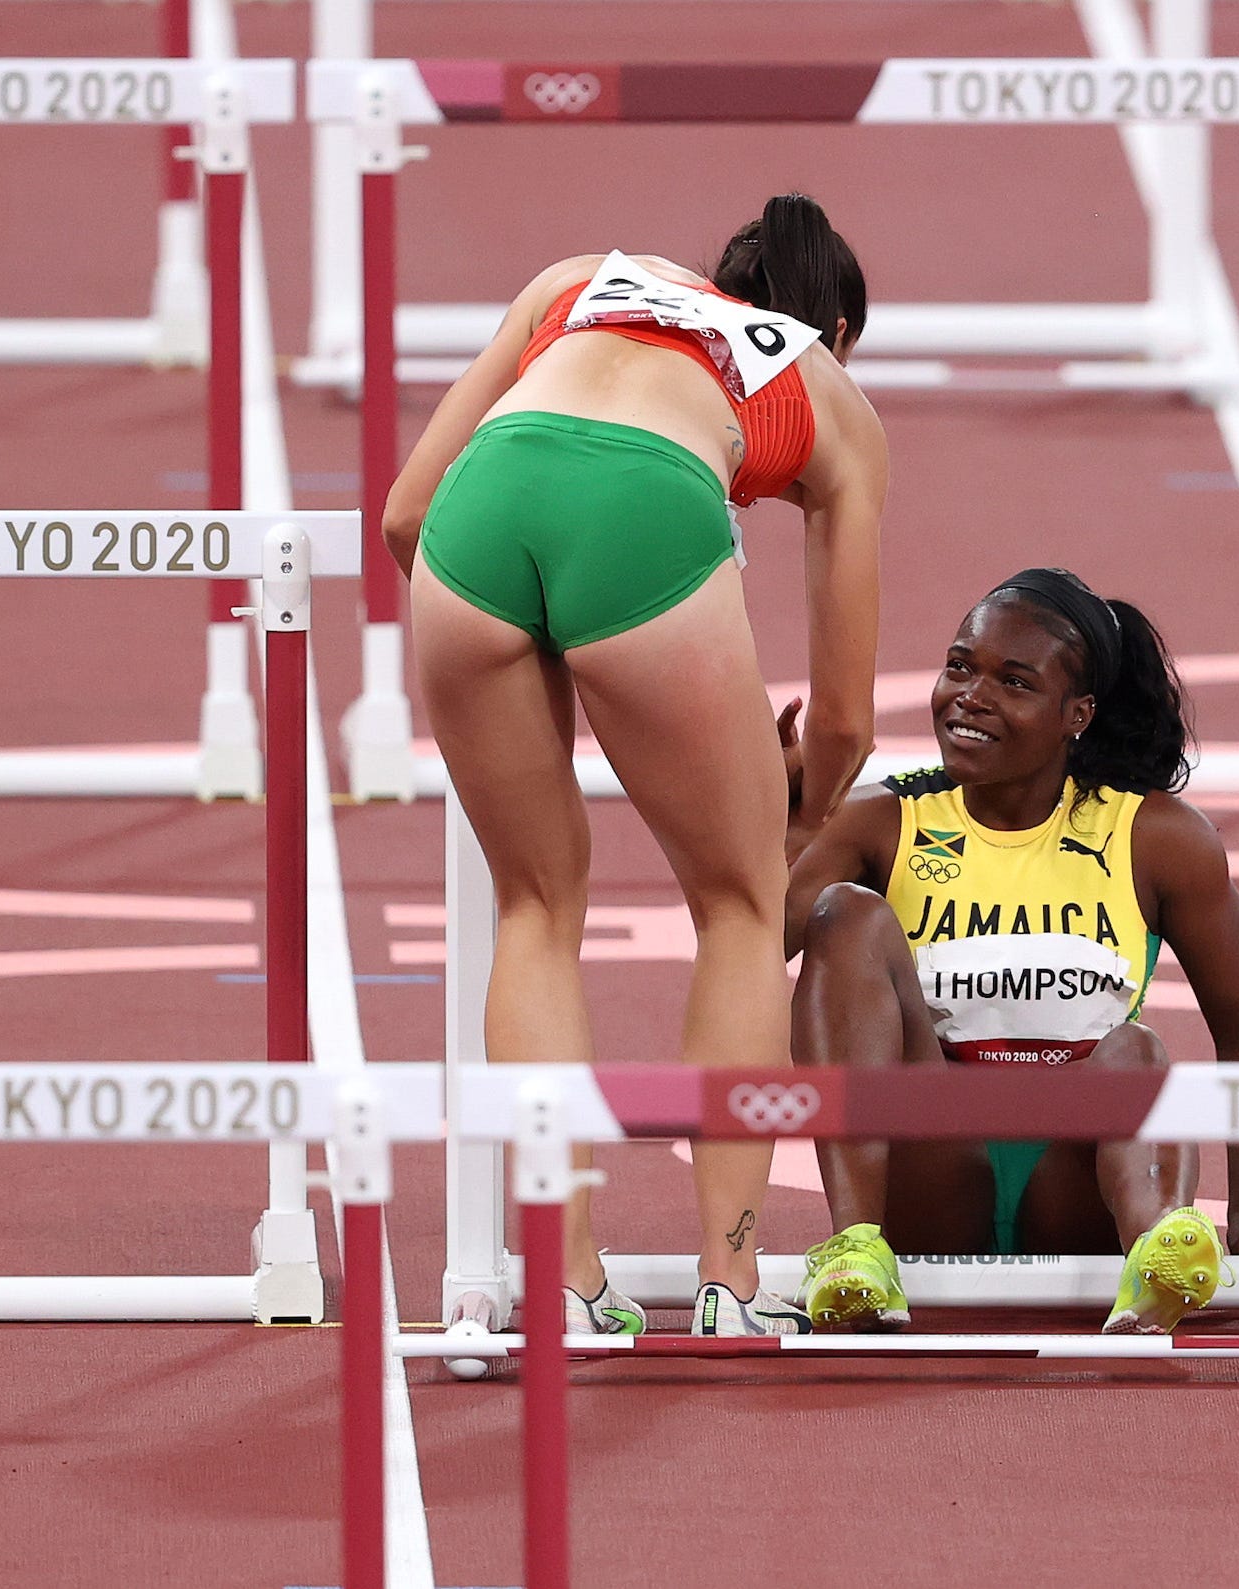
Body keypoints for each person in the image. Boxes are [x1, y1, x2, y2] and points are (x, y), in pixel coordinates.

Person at [382, 196, 889, 1337]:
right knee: (739, 906)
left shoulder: (577, 273)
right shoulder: (832, 395)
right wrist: (792, 816)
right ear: (836, 331)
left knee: (533, 901)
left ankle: (564, 1280)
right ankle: (731, 1279)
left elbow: (406, 512)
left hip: (481, 510)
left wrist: (535, 643)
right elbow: (847, 720)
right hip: (644, 511)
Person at [784, 567, 1239, 1334]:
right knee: (843, 915)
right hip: (931, 1174)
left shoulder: (1156, 835)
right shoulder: (881, 821)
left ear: (1075, 713)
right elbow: (753, 948)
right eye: (959, 666)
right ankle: (855, 1250)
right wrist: (787, 823)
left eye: (1012, 681)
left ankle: (1159, 1248)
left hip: (1080, 1186)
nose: (970, 696)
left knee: (1136, 1050)